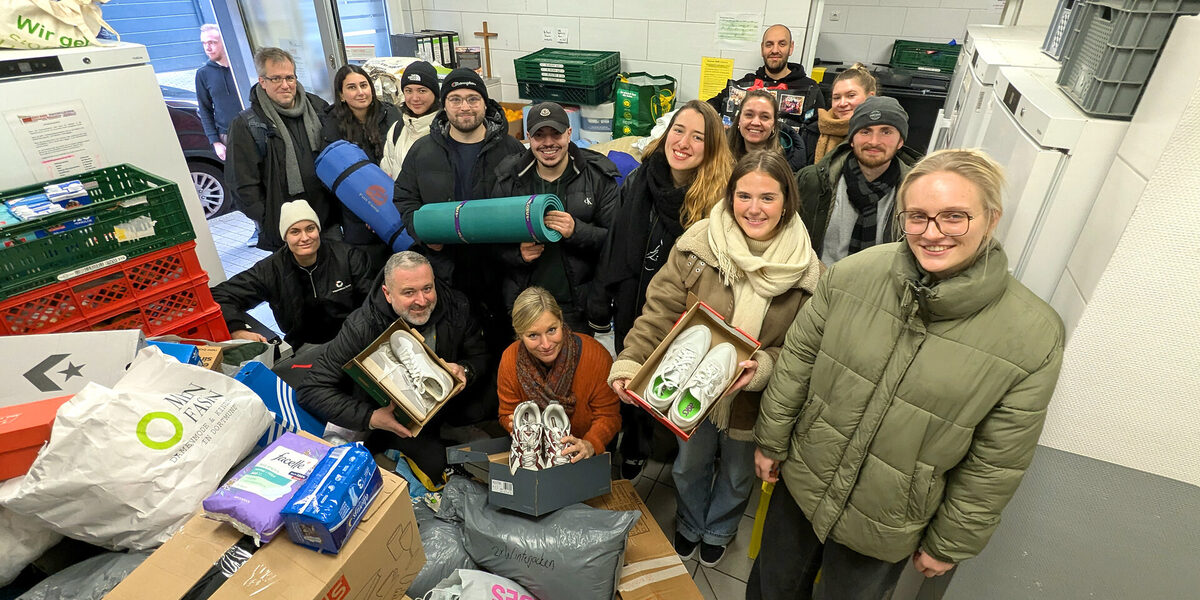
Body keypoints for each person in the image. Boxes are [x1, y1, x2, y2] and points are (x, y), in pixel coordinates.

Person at [749, 149, 1065, 600]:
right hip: (803, 481)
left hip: (887, 519)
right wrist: (771, 440)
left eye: (954, 217)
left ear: (991, 219)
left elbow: (996, 460)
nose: (932, 233)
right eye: (916, 217)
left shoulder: (1032, 335)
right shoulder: (852, 276)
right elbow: (799, 361)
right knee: (770, 589)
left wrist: (952, 540)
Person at [608, 150, 823, 567]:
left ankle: (720, 527)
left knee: (738, 473)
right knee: (688, 467)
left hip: (753, 399)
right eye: (744, 196)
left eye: (767, 197)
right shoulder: (698, 247)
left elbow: (803, 351)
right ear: (730, 195)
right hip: (693, 389)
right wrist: (631, 363)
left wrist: (762, 368)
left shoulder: (807, 273)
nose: (754, 208)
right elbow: (659, 310)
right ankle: (689, 522)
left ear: (787, 201)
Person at [590, 100, 732, 479]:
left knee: (671, 378)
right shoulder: (640, 180)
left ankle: (665, 443)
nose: (683, 142)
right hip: (632, 297)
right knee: (631, 372)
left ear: (712, 148)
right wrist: (602, 298)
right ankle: (633, 445)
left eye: (697, 136)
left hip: (683, 310)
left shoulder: (718, 202)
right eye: (678, 130)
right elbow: (616, 241)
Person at [298, 251, 490, 484]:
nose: (421, 300)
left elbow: (480, 355)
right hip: (392, 418)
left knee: (489, 404)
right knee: (434, 464)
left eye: (427, 289)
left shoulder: (455, 305)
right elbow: (311, 389)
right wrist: (372, 417)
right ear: (387, 294)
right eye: (409, 292)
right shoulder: (362, 326)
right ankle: (386, 454)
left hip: (446, 406)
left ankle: (445, 427)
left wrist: (465, 371)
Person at [492, 102, 619, 333]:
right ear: (528, 137)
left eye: (556, 134)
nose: (548, 143)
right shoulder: (509, 180)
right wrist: (517, 254)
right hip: (526, 304)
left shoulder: (598, 178)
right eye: (539, 135)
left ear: (569, 134)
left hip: (578, 306)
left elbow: (617, 243)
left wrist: (577, 231)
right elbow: (490, 243)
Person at [393, 67, 525, 289]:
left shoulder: (512, 149)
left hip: (502, 269)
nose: (465, 107)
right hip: (444, 267)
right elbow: (405, 198)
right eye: (455, 99)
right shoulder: (422, 150)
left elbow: (527, 200)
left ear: (485, 103)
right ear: (444, 105)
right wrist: (423, 234)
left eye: (473, 99)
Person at [211, 200, 373, 348]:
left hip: (352, 340)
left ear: (318, 230)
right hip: (303, 348)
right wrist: (236, 329)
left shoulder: (347, 256)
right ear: (285, 237)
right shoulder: (271, 269)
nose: (305, 238)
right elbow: (219, 296)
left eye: (310, 229)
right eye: (295, 232)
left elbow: (370, 304)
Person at [226, 47, 335, 252]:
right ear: (262, 81)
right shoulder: (247, 124)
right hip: (286, 231)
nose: (285, 85)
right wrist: (271, 219)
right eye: (276, 79)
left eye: (290, 78)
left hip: (328, 221)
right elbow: (241, 184)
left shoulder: (318, 107)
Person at [498, 287, 621, 467]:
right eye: (533, 335)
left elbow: (609, 415)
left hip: (586, 449)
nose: (546, 344)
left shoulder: (595, 356)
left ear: (561, 320)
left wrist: (590, 443)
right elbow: (506, 413)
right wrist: (519, 429)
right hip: (534, 453)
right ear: (519, 334)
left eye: (552, 330)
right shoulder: (510, 360)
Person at [796, 95, 923, 265]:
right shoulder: (814, 181)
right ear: (851, 139)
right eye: (865, 131)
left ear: (900, 141)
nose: (874, 141)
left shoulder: (916, 192)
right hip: (819, 283)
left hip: (880, 288)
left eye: (886, 131)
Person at [321, 64, 403, 274]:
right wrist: (369, 212)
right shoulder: (332, 125)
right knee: (371, 277)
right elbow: (337, 176)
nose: (360, 92)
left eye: (364, 85)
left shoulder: (391, 113)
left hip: (396, 207)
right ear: (341, 95)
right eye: (351, 87)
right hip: (357, 215)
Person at [707, 24, 824, 165]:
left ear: (791, 47)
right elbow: (709, 108)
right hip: (739, 163)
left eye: (782, 44)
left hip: (787, 166)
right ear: (762, 48)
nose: (775, 50)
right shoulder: (745, 84)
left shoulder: (809, 88)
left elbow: (819, 136)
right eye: (769, 44)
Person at [812, 63, 877, 162]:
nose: (842, 103)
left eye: (851, 95)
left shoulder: (881, 134)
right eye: (836, 98)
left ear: (870, 97)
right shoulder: (815, 131)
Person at [727, 89, 805, 172]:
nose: (755, 122)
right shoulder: (719, 155)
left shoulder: (790, 161)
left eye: (765, 117)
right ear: (739, 119)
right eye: (749, 115)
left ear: (774, 124)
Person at [195, 24, 241, 161]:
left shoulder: (242, 67)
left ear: (225, 41)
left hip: (255, 130)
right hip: (228, 136)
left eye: (212, 43)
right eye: (204, 43)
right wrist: (215, 142)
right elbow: (205, 110)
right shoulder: (203, 74)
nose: (207, 48)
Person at [392, 61, 442, 169]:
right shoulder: (397, 129)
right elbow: (388, 169)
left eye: (422, 91)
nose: (415, 98)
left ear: (435, 93)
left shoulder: (448, 129)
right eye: (409, 91)